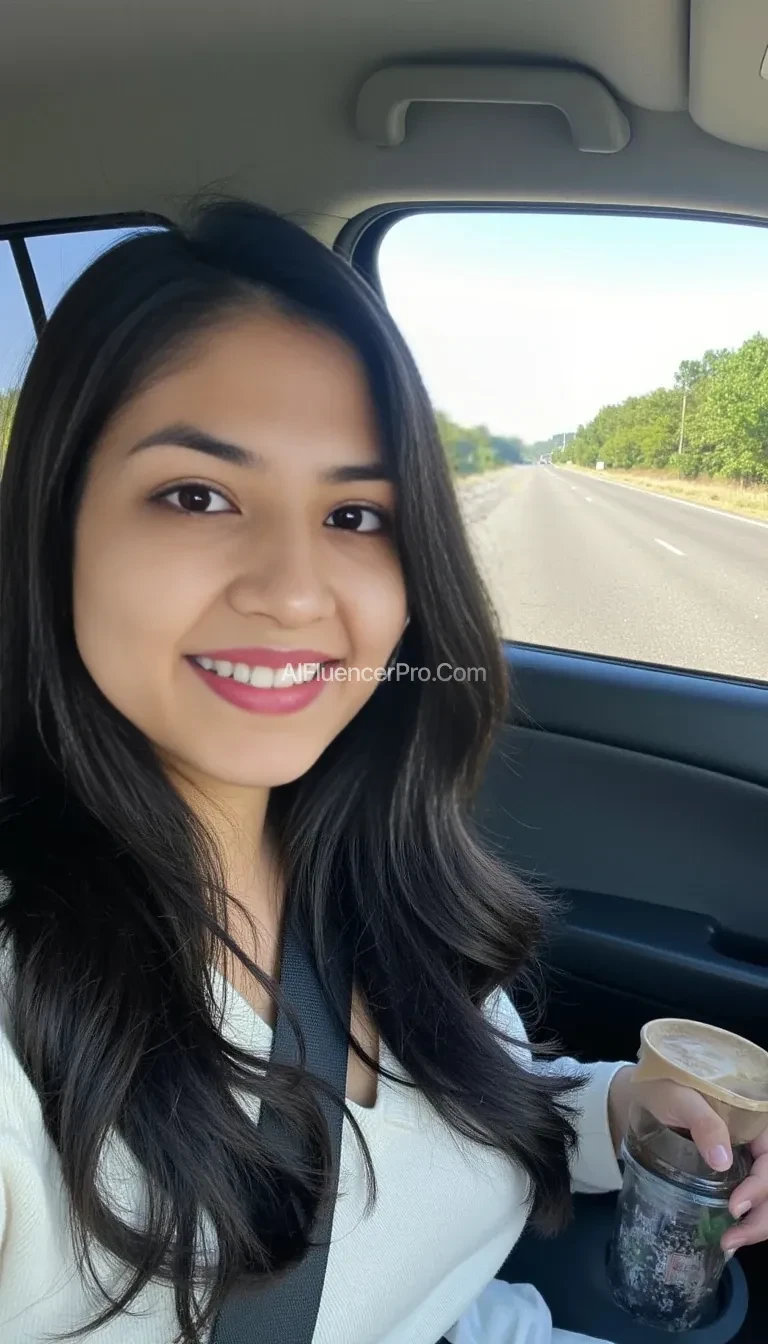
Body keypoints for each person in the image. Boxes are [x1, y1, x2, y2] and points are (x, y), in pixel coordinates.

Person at [0, 199, 764, 1344]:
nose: (298, 590)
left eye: (356, 513)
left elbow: (449, 1114)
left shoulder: (366, 855)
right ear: (55, 527)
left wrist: (619, 1110)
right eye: (198, 495)